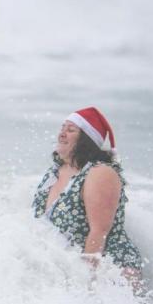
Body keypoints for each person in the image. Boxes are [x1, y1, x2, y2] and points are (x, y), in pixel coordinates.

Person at [32, 107, 143, 288]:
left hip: (112, 272)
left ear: (86, 140)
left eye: (71, 130)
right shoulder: (54, 172)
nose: (61, 134)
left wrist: (85, 286)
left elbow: (99, 232)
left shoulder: (100, 173)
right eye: (62, 128)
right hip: (69, 268)